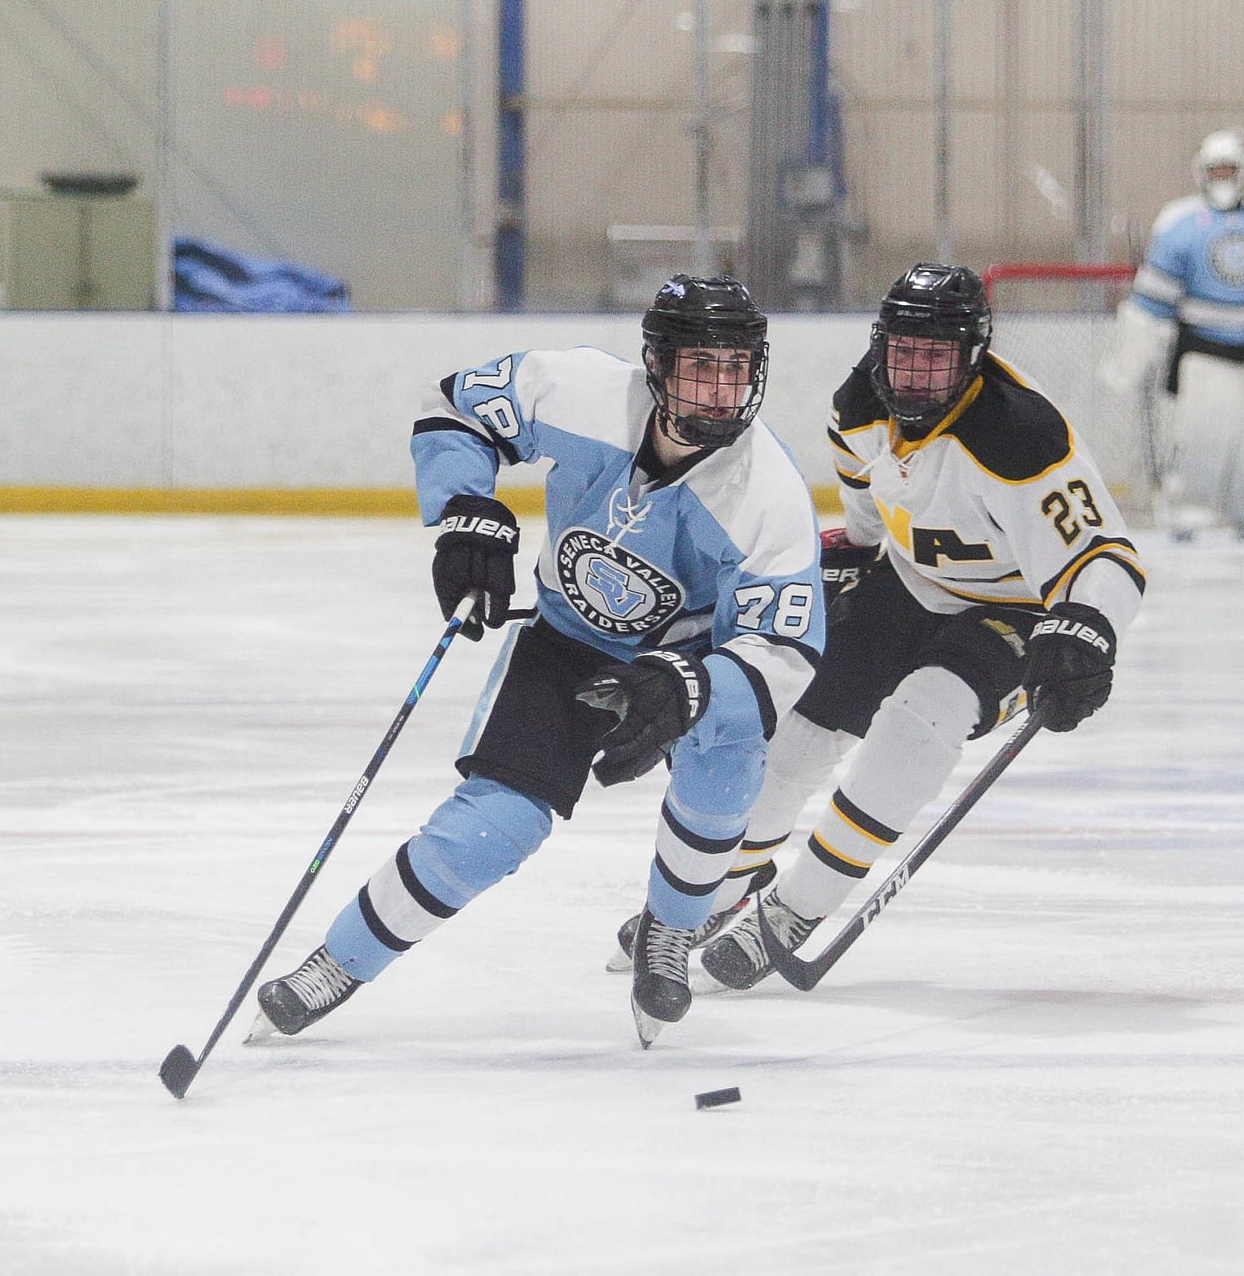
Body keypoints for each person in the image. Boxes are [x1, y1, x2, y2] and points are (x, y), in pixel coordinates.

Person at [248, 275, 825, 1048]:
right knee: (496, 828)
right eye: (700, 367)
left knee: (727, 764)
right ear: (655, 364)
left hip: (689, 657)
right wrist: (466, 511)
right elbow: (456, 405)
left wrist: (690, 685)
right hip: (568, 639)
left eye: (736, 369)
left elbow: (782, 651)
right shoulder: (580, 391)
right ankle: (336, 963)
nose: (721, 391)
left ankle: (672, 931)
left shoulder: (770, 496)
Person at [609, 263, 1146, 991]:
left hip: (1017, 611)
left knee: (925, 714)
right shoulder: (861, 400)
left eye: (937, 356)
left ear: (974, 354)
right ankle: (703, 893)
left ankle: (800, 905)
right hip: (909, 584)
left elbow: (1107, 556)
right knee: (798, 731)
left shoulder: (1020, 434)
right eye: (905, 351)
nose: (917, 373)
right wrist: (854, 556)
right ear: (880, 344)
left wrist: (1084, 628)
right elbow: (866, 500)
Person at [1098, 129, 1244, 540]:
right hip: (1203, 344)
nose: (1223, 175)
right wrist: (1134, 353)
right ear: (1201, 172)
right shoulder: (1179, 222)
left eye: (1230, 168)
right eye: (1216, 168)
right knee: (1202, 435)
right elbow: (1153, 299)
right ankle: (1189, 511)